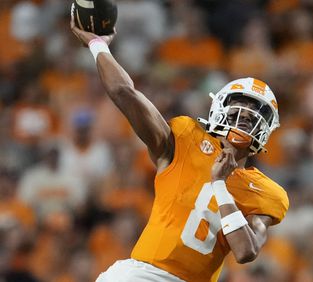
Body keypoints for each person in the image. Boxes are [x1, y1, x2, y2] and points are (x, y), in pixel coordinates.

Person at [70, 7, 289, 282]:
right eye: (240, 105)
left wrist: (220, 185)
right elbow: (123, 92)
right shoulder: (185, 139)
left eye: (256, 109)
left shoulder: (269, 193)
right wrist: (97, 44)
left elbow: (246, 251)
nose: (246, 114)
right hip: (142, 275)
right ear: (219, 109)